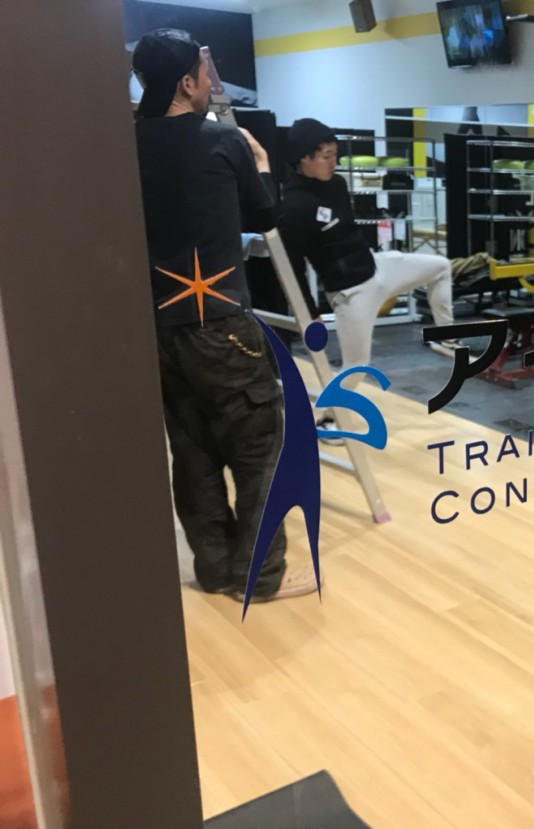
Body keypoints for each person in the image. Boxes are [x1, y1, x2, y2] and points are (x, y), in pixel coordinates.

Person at [132, 29, 318, 600]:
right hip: (222, 326)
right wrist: (260, 163)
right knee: (259, 448)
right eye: (205, 73)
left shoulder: (123, 144)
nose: (212, 82)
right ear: (188, 82)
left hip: (158, 329)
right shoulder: (222, 140)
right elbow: (265, 216)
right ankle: (260, 576)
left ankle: (214, 569)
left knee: (191, 450)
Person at [278, 118, 468, 427]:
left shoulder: (337, 184)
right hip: (350, 291)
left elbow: (348, 232)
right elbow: (292, 266)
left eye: (335, 154)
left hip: (377, 266)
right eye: (326, 156)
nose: (333, 162)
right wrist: (310, 313)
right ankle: (329, 420)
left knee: (440, 267)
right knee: (357, 364)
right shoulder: (294, 206)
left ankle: (446, 338)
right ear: (304, 158)